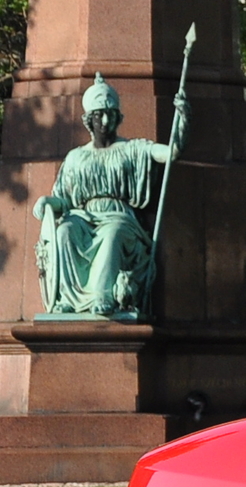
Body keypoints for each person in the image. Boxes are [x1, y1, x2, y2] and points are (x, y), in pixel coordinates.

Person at [34, 74, 183, 318]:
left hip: (118, 217)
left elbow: (172, 152)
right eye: (98, 115)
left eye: (111, 115)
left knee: (112, 233)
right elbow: (64, 201)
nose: (105, 120)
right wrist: (47, 202)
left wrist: (182, 119)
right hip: (84, 216)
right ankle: (70, 299)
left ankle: (102, 296)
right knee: (64, 231)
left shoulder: (132, 149)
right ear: (88, 121)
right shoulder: (75, 158)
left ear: (118, 118)